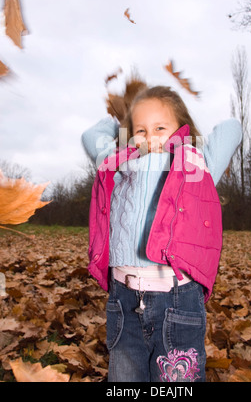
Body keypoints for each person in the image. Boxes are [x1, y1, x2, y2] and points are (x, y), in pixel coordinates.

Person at [82, 84, 242, 382]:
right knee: (125, 380)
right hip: (123, 300)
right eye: (140, 130)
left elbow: (231, 128)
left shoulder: (194, 166)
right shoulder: (120, 165)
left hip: (177, 299)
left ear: (180, 130)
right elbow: (91, 136)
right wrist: (117, 121)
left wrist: (186, 143)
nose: (150, 137)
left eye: (160, 127)